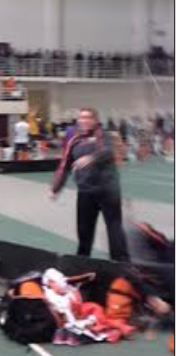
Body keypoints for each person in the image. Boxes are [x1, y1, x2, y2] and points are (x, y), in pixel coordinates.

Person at [50, 108, 129, 262]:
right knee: (84, 233)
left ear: (95, 120)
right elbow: (64, 165)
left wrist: (90, 158)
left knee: (115, 230)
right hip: (85, 193)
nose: (84, 121)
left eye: (87, 118)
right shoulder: (74, 141)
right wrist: (55, 188)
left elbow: (108, 151)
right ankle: (81, 263)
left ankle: (122, 264)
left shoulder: (105, 135)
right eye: (81, 118)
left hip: (108, 191)